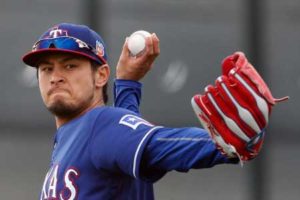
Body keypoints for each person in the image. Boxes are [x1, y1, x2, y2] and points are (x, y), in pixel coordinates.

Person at [22, 23, 246, 200]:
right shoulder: (77, 136)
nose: (55, 77)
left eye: (70, 66)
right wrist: (127, 85)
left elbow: (157, 144)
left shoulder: (97, 125)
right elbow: (121, 138)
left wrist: (224, 142)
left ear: (101, 75)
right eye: (46, 68)